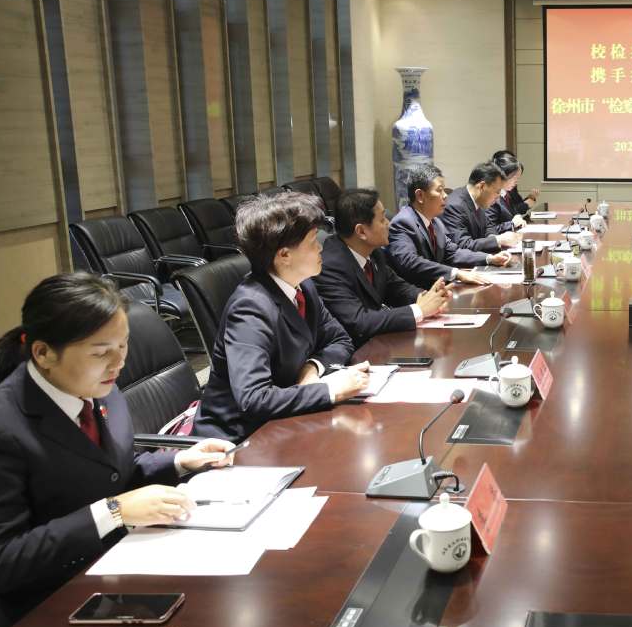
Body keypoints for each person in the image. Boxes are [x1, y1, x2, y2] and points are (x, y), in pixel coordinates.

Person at [0, 273, 234, 627]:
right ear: (43, 354)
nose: (118, 363)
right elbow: (1, 561)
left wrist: (179, 461)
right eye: (101, 352)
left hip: (117, 565)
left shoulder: (99, 388)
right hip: (45, 608)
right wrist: (114, 511)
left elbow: (109, 471)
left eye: (123, 345)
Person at [193, 191, 368, 442]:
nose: (321, 247)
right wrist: (329, 389)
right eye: (313, 241)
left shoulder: (303, 285)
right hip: (238, 439)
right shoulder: (250, 309)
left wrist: (312, 369)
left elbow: (340, 339)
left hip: (287, 421)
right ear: (284, 255)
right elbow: (253, 399)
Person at [315, 188, 451, 347]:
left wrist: (430, 296)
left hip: (380, 344)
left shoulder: (374, 252)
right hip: (355, 352)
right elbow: (359, 322)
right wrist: (419, 310)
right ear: (361, 231)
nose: (388, 223)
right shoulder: (329, 267)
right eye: (382, 219)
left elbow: (397, 288)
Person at [387, 163, 511, 288]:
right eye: (439, 190)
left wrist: (489, 258)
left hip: (441, 289)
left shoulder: (435, 222)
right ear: (420, 196)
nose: (445, 195)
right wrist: (456, 273)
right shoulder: (403, 222)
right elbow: (410, 261)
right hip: (420, 293)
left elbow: (453, 252)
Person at [439, 162, 521, 252]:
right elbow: (462, 245)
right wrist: (497, 240)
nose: (498, 197)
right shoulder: (454, 206)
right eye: (497, 192)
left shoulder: (480, 199)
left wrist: (492, 237)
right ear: (482, 186)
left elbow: (489, 226)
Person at [486, 155, 528, 233]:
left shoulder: (507, 193)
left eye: (518, 178)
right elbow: (488, 230)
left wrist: (517, 218)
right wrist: (511, 224)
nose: (516, 182)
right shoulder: (490, 196)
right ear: (503, 176)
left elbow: (512, 215)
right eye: (514, 178)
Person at [492, 149, 539, 217]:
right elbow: (511, 212)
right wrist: (526, 205)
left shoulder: (511, 187)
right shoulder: (492, 193)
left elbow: (516, 206)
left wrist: (530, 198)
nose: (516, 182)